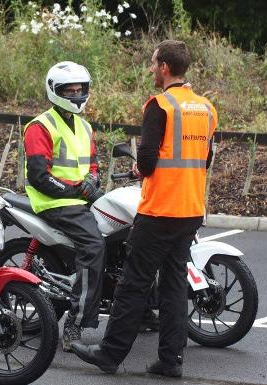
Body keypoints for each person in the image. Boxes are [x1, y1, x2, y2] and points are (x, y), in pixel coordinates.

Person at [72, 39, 217, 378]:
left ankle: (109, 355)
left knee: (134, 284)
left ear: (165, 67)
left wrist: (138, 169)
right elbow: (206, 158)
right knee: (173, 286)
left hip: (160, 210)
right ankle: (170, 361)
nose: (151, 69)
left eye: (154, 64)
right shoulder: (206, 108)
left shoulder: (160, 105)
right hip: (191, 209)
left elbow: (148, 162)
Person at [23, 61, 106, 352]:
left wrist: (93, 181)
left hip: (80, 198)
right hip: (54, 201)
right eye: (68, 90)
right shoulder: (39, 126)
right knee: (94, 246)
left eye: (80, 89)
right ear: (54, 91)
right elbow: (39, 176)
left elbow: (94, 166)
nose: (75, 94)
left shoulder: (85, 126)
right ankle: (77, 321)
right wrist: (74, 189)